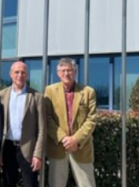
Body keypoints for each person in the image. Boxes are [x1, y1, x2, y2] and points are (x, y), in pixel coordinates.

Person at [44, 58, 98, 187]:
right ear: (58, 73)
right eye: (63, 70)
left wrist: (76, 139)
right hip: (58, 148)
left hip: (81, 148)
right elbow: (47, 117)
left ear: (75, 72)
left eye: (69, 70)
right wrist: (63, 138)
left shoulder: (88, 92)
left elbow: (92, 118)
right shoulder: (50, 91)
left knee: (87, 184)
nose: (66, 73)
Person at [0, 61, 45, 187]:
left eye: (23, 72)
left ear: (27, 75)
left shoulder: (36, 97)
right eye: (16, 72)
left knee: (31, 184)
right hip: (7, 148)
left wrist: (38, 155)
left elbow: (42, 129)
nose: (20, 75)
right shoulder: (1, 96)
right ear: (11, 74)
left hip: (29, 148)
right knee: (8, 183)